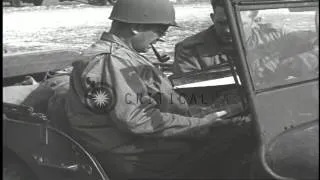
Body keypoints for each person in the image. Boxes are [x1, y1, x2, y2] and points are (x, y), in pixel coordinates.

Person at [47, 0, 254, 179]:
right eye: (160, 31)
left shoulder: (123, 54)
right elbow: (139, 120)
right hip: (136, 156)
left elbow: (150, 102)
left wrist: (204, 114)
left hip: (145, 144)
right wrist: (201, 124)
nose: (160, 39)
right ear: (136, 27)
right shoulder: (109, 61)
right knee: (242, 144)